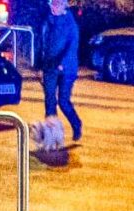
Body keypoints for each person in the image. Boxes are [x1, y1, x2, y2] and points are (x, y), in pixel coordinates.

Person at [36, 0, 82, 145]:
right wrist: (39, 66)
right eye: (51, 4)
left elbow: (72, 45)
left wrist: (62, 63)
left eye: (56, 4)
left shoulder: (70, 23)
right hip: (49, 67)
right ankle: (52, 134)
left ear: (64, 5)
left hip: (66, 68)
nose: (53, 8)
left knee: (63, 101)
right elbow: (41, 44)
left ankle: (76, 124)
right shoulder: (47, 21)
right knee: (49, 100)